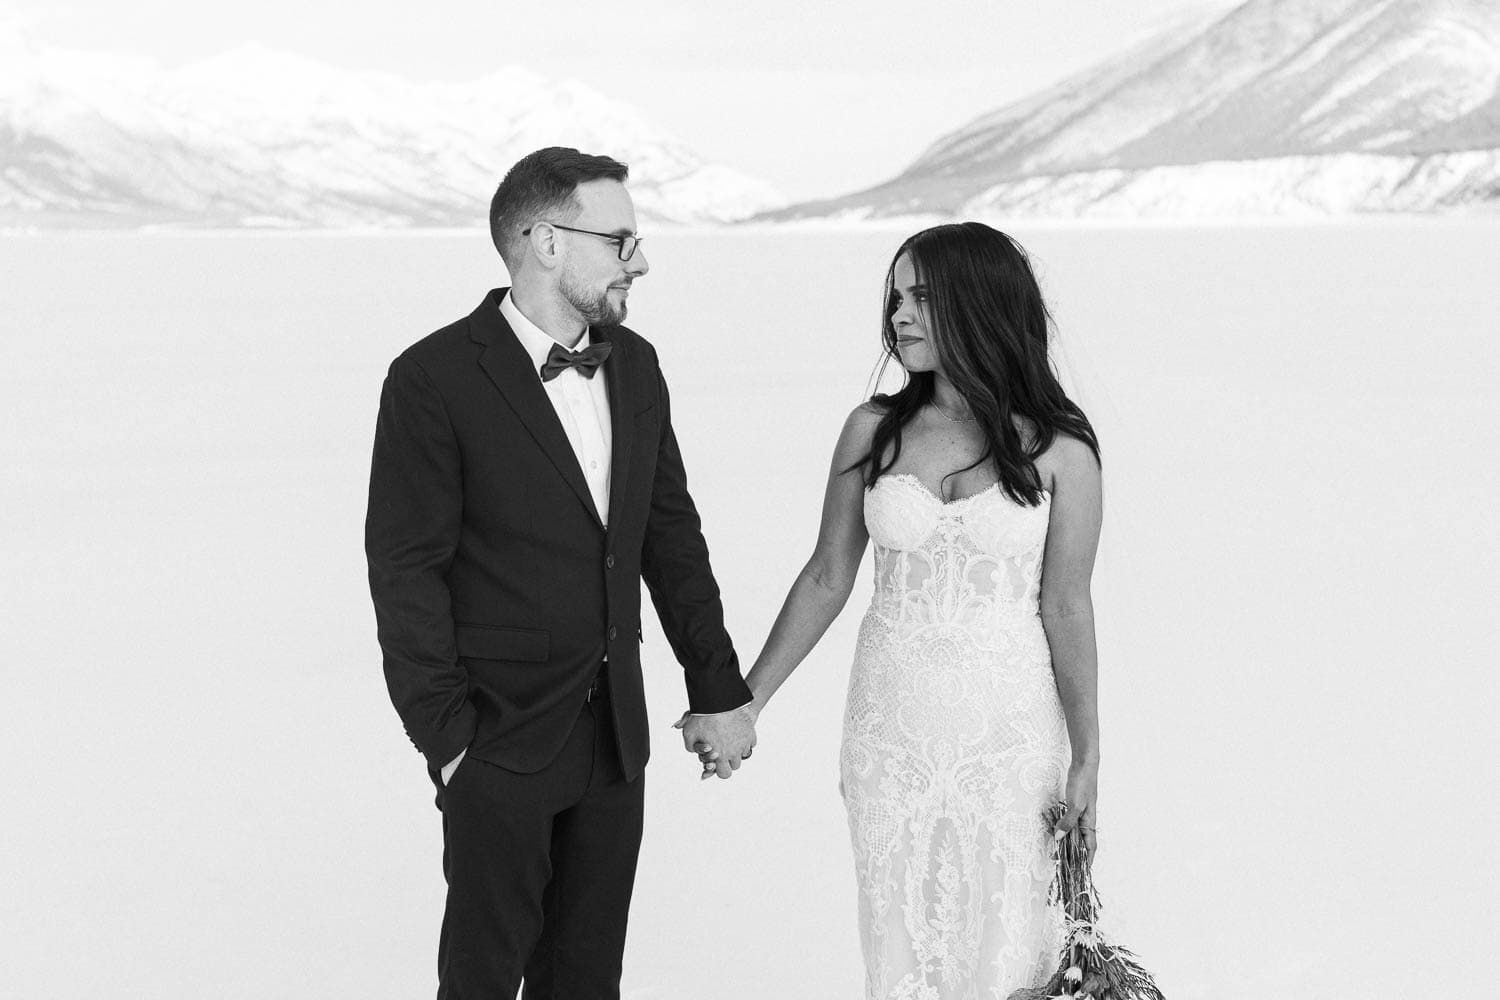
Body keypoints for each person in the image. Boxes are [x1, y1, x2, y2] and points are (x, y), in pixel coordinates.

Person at [364, 146, 757, 1000]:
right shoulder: (432, 380)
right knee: (480, 982)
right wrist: (450, 743)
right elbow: (405, 574)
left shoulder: (638, 365)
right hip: (496, 743)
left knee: (586, 983)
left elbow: (670, 538)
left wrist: (718, 689)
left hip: (615, 740)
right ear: (547, 241)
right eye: (620, 241)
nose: (641, 262)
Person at [724, 222, 1103, 997]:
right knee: (898, 950)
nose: (899, 314)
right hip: (890, 733)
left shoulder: (1062, 450)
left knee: (1009, 950)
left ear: (981, 305)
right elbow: (828, 576)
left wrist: (1089, 757)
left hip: (1010, 737)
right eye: (896, 296)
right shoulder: (873, 430)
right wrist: (745, 704)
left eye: (923, 297)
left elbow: (1066, 607)